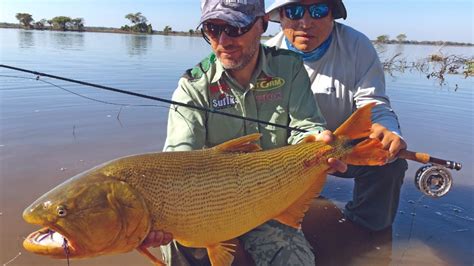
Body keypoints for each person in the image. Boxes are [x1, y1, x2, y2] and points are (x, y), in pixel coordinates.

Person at [140, 0, 346, 265]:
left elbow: (304, 126)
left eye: (235, 28)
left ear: (261, 24)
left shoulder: (289, 68)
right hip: (205, 210)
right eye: (213, 29)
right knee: (178, 248)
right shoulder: (191, 87)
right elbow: (178, 159)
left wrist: (315, 140)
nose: (224, 40)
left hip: (271, 201)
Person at [265, 0, 408, 232]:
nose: (306, 22)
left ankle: (368, 230)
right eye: (294, 11)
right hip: (291, 155)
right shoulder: (266, 57)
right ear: (280, 17)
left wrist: (386, 128)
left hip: (347, 148)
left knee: (390, 159)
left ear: (333, 15)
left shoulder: (357, 45)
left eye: (319, 10)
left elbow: (374, 104)